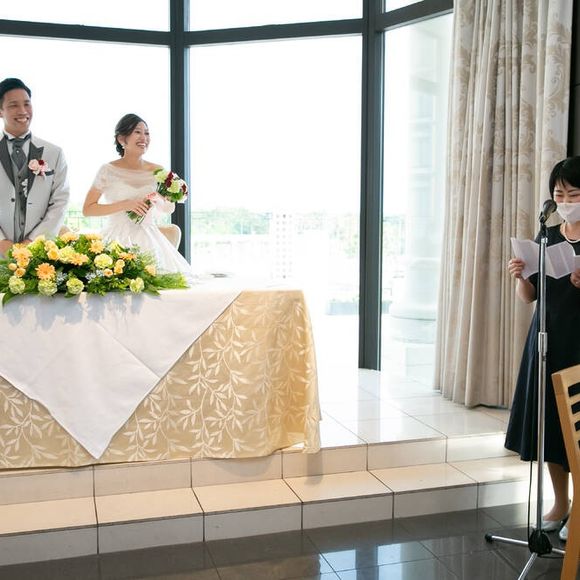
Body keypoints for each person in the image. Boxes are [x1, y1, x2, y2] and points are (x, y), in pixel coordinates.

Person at [505, 156, 580, 543]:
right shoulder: (547, 236)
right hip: (547, 338)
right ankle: (559, 502)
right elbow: (530, 295)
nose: (565, 201)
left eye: (573, 193)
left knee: (576, 430)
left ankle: (579, 511)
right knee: (549, 422)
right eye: (559, 194)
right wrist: (521, 277)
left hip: (578, 342)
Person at [82, 113, 192, 279]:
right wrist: (125, 204)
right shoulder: (107, 170)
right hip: (116, 238)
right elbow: (88, 209)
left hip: (150, 238)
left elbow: (169, 208)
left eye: (147, 133)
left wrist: (159, 200)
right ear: (122, 139)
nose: (144, 138)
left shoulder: (158, 170)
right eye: (138, 132)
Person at [0, 77, 70, 256]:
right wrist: (2, 242)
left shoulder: (54, 153)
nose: (23, 111)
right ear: (1, 111)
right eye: (13, 105)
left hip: (39, 254)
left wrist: (33, 242)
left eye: (27, 104)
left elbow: (60, 202)